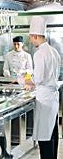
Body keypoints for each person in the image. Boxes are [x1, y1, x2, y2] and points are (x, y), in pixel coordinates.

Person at [18, 16, 60, 159]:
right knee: (53, 135)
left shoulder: (40, 53)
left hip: (45, 100)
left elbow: (39, 79)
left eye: (31, 38)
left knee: (45, 138)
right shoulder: (54, 51)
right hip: (53, 98)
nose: (30, 41)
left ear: (35, 36)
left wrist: (22, 80)